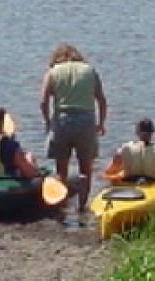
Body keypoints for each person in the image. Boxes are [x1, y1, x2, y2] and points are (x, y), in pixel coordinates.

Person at [39, 42, 107, 211]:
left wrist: (48, 121)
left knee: (61, 170)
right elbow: (102, 100)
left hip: (63, 120)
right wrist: (101, 124)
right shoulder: (90, 71)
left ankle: (60, 204)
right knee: (86, 168)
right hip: (86, 120)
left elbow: (43, 101)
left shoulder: (53, 72)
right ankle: (82, 206)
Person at [104, 118, 155, 183]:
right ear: (152, 133)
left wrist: (119, 175)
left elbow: (108, 173)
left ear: (136, 132)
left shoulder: (124, 149)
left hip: (129, 182)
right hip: (153, 183)